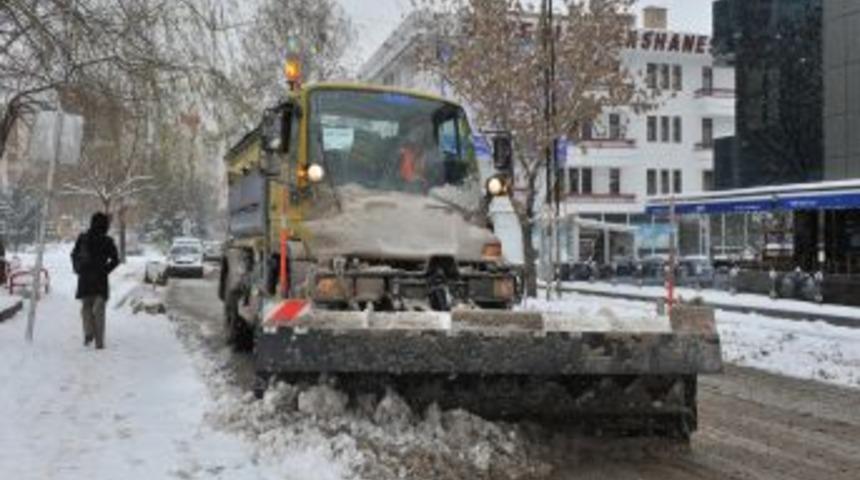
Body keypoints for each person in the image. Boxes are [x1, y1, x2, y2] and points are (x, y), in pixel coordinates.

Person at [71, 212, 119, 349]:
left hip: (85, 278)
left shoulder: (83, 238)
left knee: (86, 307)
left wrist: (77, 268)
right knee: (99, 309)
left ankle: (88, 332)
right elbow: (116, 260)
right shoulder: (107, 241)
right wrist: (106, 270)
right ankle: (99, 342)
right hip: (100, 279)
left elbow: (74, 254)